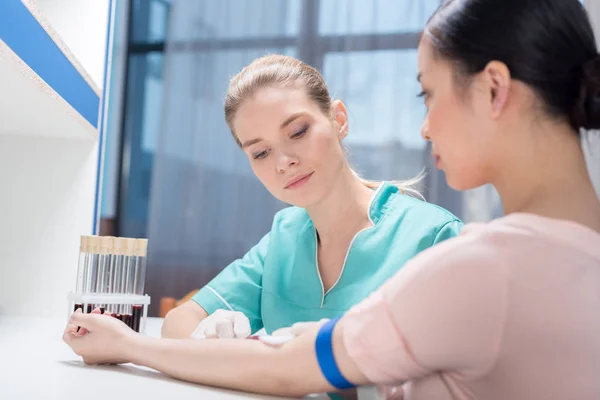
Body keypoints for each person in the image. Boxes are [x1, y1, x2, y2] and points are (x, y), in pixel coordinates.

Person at [64, 0, 600, 398]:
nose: (425, 125)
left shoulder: (471, 261)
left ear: (493, 89)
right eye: (259, 152)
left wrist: (129, 345)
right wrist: (219, 332)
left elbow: (294, 366)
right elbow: (203, 323)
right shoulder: (286, 236)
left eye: (428, 94)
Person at [160, 54, 462, 340]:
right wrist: (208, 336)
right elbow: (178, 321)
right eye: (261, 152)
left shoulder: (432, 237)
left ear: (339, 119)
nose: (283, 162)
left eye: (298, 132)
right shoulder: (284, 238)